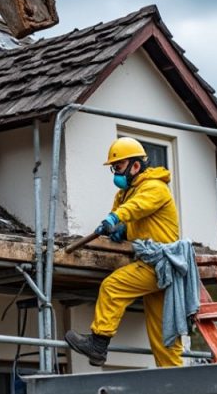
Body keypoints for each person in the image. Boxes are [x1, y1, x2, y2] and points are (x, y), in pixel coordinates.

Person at [65, 136, 183, 367]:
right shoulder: (125, 193)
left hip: (161, 262)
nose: (115, 174)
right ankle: (174, 380)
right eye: (113, 169)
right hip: (155, 265)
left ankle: (98, 345)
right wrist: (120, 230)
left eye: (117, 167)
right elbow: (134, 219)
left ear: (135, 166)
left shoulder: (155, 187)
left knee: (113, 287)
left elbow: (137, 208)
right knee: (162, 333)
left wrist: (115, 218)